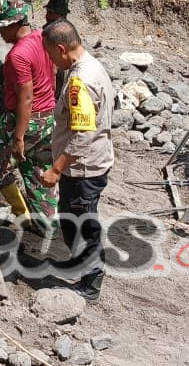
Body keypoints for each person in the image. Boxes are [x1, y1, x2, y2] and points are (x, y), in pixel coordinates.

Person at [39, 19, 114, 302]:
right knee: (75, 220)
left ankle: (90, 284)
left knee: (82, 224)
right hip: (91, 162)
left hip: (82, 168)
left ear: (61, 48)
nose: (50, 60)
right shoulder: (93, 66)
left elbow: (83, 134)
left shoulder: (79, 81)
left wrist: (56, 169)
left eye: (50, 54)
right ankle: (85, 270)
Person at [0, 0, 59, 234]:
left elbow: (25, 98)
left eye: (2, 27)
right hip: (47, 117)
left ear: (16, 23)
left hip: (22, 119)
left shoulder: (18, 55)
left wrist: (18, 136)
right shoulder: (43, 38)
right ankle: (47, 222)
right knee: (39, 170)